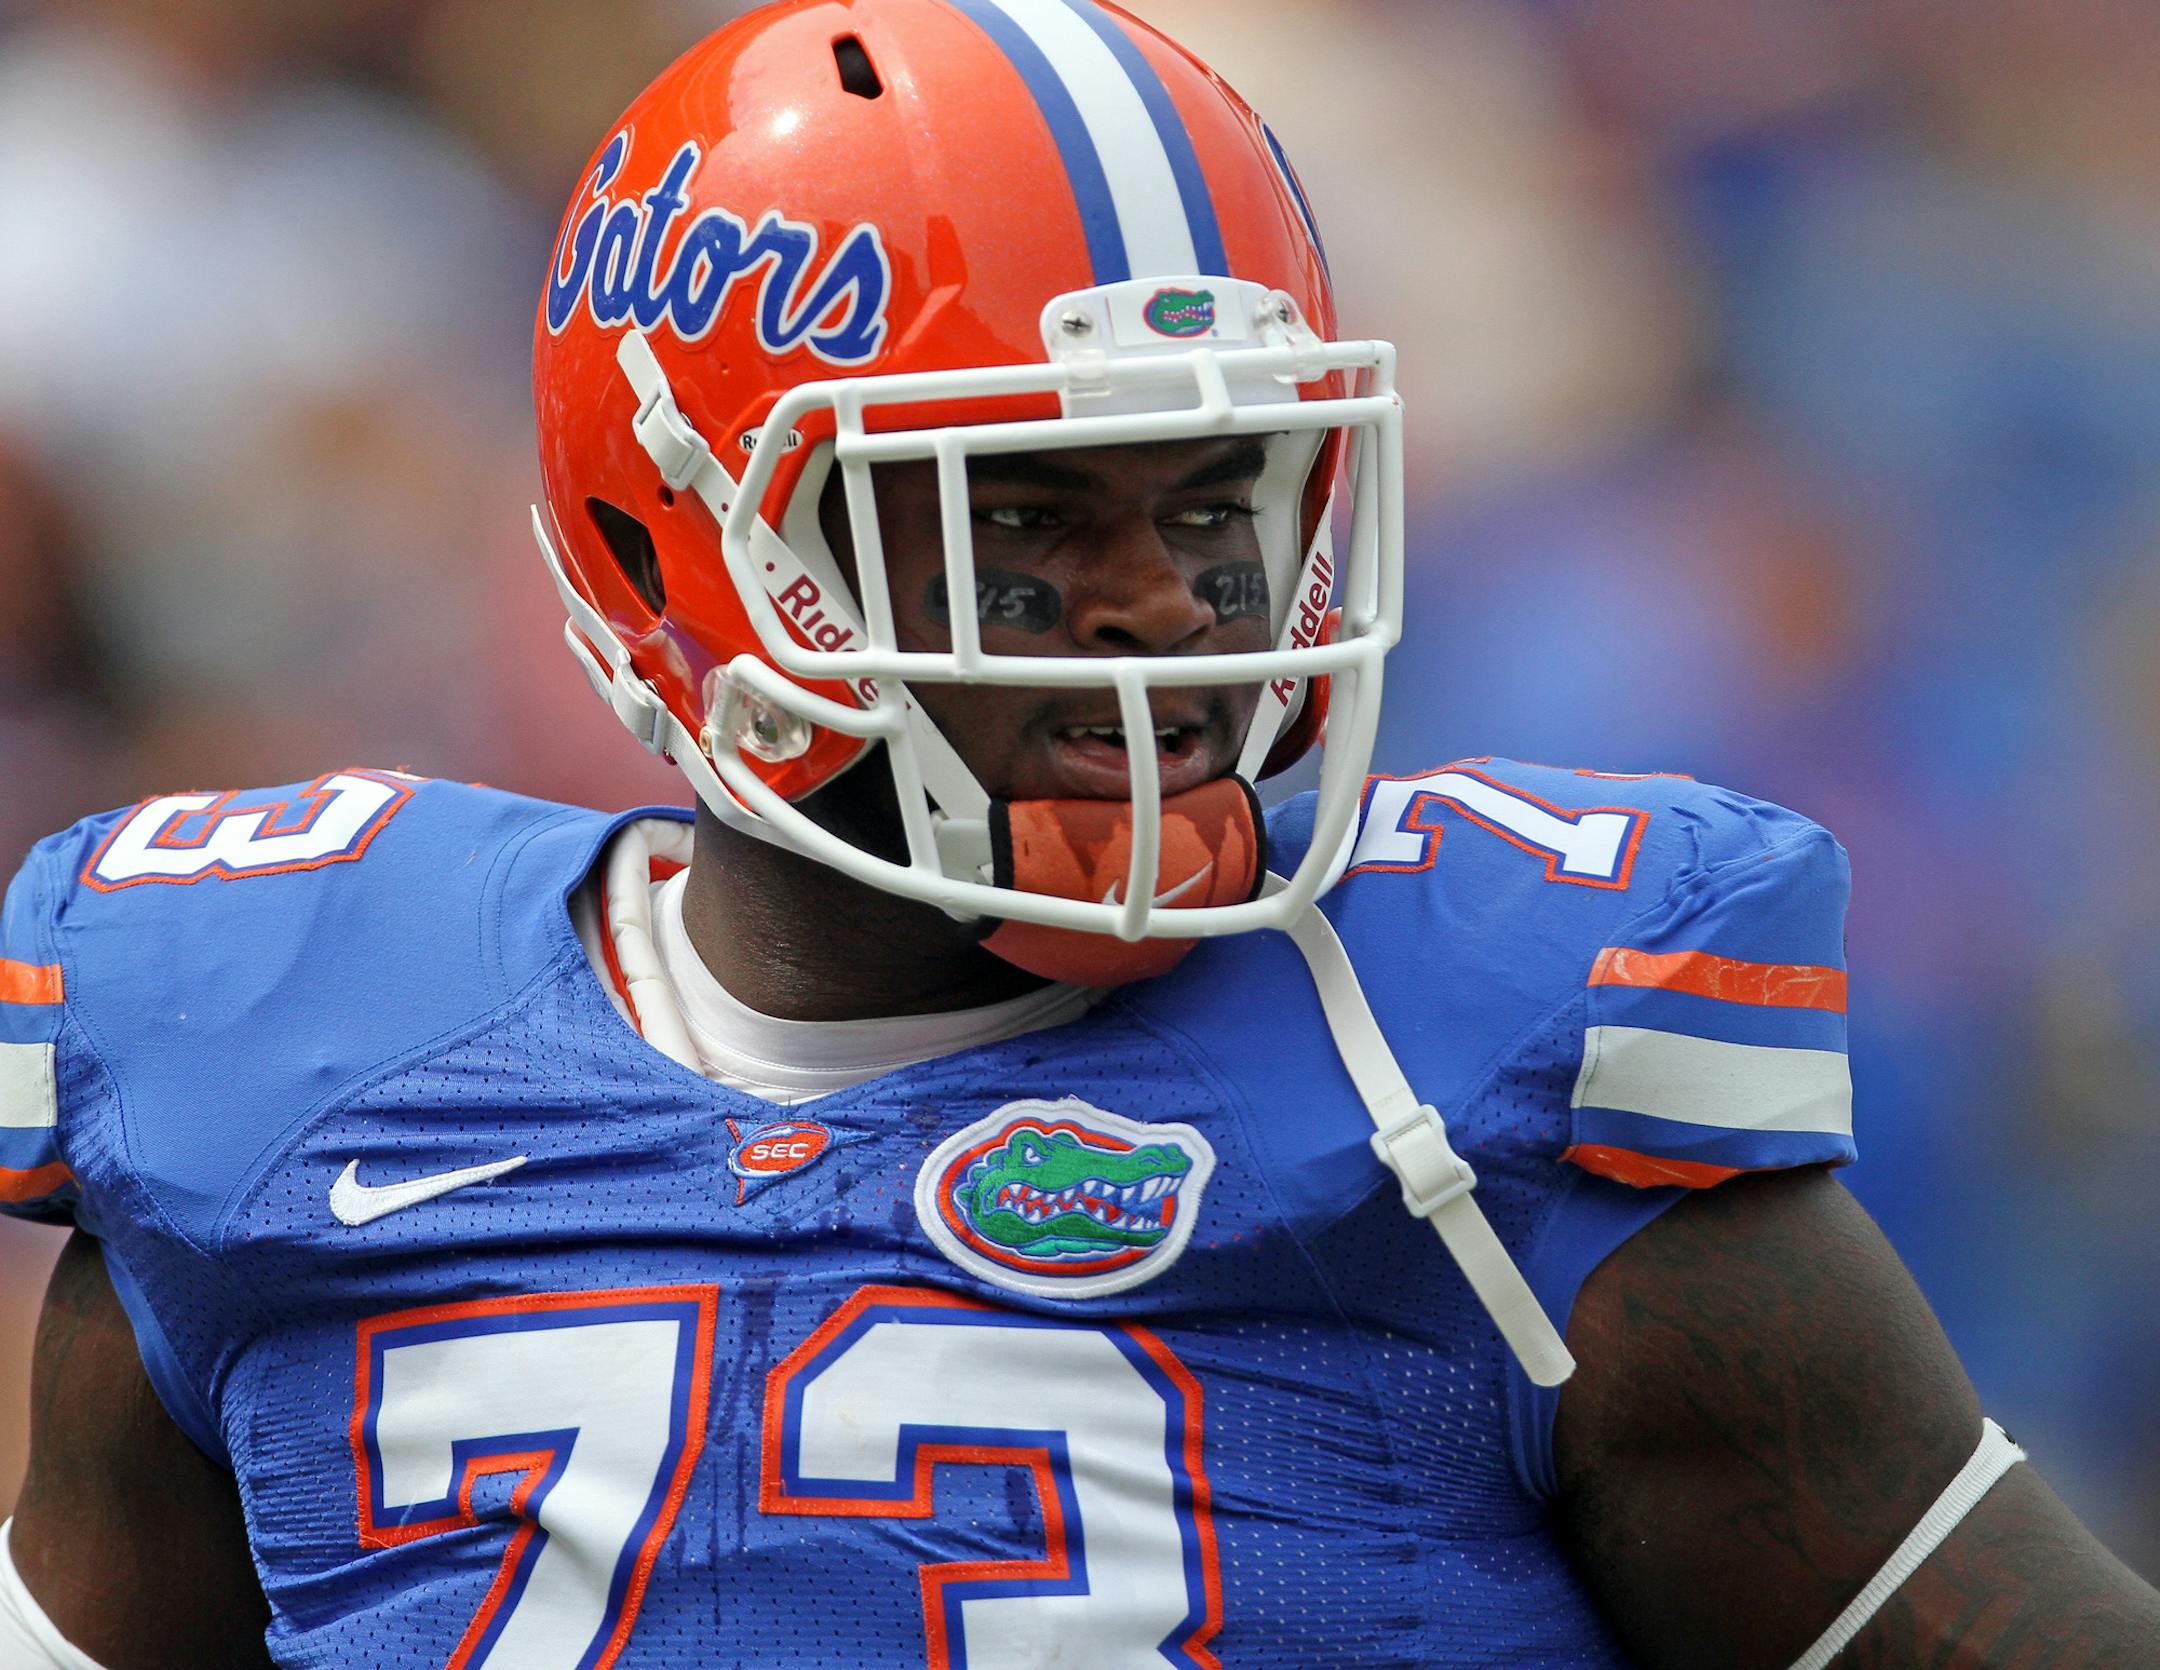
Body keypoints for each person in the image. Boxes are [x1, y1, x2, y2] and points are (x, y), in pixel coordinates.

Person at [2, 1, 2157, 1665]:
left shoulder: (1476, 1092)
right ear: (688, 556)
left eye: (1219, 501)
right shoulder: (269, 1068)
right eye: (1017, 518)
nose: (1164, 609)